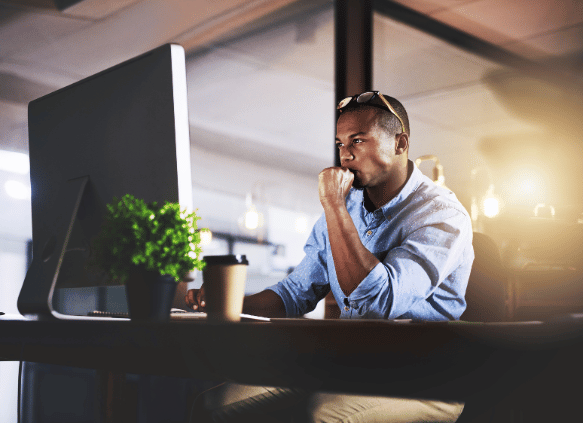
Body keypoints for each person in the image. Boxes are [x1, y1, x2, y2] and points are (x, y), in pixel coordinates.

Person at [185, 92, 474, 423]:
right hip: (345, 363)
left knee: (328, 416)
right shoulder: (346, 206)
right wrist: (230, 304)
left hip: (424, 375)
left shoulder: (441, 214)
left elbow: (379, 303)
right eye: (339, 143)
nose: (345, 154)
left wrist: (334, 205)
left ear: (400, 143)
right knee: (212, 407)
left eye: (358, 140)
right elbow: (295, 293)